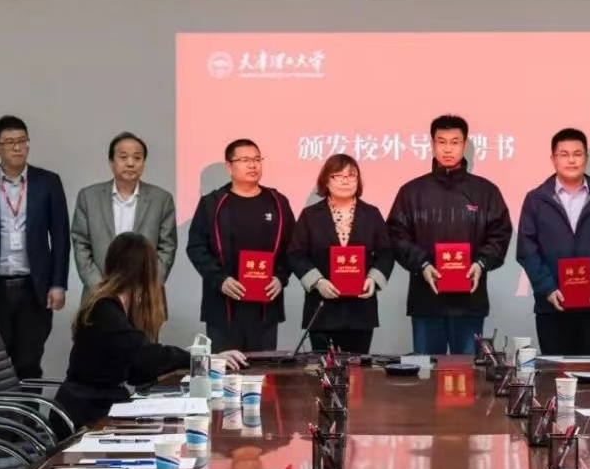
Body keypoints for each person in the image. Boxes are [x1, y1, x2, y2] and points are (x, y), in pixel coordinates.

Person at [57, 233, 246, 427]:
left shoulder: (115, 307)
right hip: (86, 412)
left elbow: (137, 369)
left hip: (102, 405)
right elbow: (144, 356)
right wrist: (200, 359)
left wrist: (196, 358)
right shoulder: (105, 309)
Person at [0, 115, 70, 380]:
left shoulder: (48, 182)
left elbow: (61, 237)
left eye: (22, 141)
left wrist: (58, 283)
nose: (17, 147)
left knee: (29, 362)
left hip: (34, 287)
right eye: (9, 142)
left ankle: (27, 408)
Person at [386, 115, 512, 355]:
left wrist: (481, 263)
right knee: (427, 373)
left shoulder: (485, 191)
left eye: (455, 142)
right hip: (426, 300)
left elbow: (501, 234)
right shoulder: (411, 192)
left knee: (468, 374)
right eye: (441, 142)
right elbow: (396, 234)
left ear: (465, 145)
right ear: (432, 144)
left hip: (469, 302)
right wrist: (422, 264)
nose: (448, 149)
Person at [517, 128, 590, 355]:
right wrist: (547, 288)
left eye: (577, 154)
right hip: (552, 305)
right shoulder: (536, 199)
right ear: (553, 159)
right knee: (555, 371)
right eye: (564, 154)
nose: (571, 160)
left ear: (586, 159)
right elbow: (527, 249)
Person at [186, 139, 295, 352]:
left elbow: (292, 246)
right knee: (224, 368)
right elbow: (196, 247)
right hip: (224, 303)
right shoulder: (213, 203)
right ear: (229, 166)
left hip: (265, 304)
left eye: (257, 159)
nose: (253, 165)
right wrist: (220, 279)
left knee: (263, 368)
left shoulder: (277, 202)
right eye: (245, 160)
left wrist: (280, 278)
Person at [287, 154, 394, 353]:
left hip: (360, 309)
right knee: (325, 369)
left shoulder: (371, 214)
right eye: (338, 176)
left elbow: (386, 253)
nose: (345, 181)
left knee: (357, 368)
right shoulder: (310, 215)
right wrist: (317, 282)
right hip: (323, 308)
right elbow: (295, 254)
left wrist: (373, 279)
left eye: (351, 176)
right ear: (326, 180)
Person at [71, 132, 178, 306]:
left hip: (145, 298)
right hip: (98, 295)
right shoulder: (89, 197)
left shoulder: (161, 199)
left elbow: (167, 248)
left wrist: (147, 288)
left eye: (137, 158)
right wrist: (101, 289)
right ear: (111, 162)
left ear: (143, 163)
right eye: (123, 157)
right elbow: (81, 245)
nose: (130, 163)